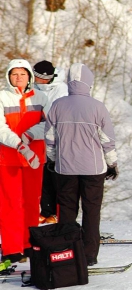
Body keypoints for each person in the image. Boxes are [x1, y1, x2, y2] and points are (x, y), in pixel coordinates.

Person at [45, 63, 117, 266]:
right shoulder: (97, 107)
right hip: (93, 169)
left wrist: (53, 159)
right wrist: (112, 164)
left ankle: (66, 251)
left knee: (67, 210)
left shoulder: (57, 105)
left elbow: (49, 138)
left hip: (65, 168)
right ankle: (89, 255)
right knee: (91, 211)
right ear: (89, 82)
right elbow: (107, 141)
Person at [0, 59, 47, 263]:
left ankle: (30, 245)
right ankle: (12, 249)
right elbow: (1, 128)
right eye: (14, 74)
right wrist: (19, 145)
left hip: (34, 160)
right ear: (8, 76)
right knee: (10, 204)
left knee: (31, 202)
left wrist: (29, 135)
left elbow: (49, 123)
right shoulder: (2, 97)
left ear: (29, 76)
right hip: (8, 159)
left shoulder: (41, 97)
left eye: (22, 74)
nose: (18, 78)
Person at [32, 60, 69, 224]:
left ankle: (57, 213)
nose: (39, 80)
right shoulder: (33, 86)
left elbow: (59, 115)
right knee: (43, 176)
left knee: (56, 176)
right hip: (38, 137)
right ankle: (46, 210)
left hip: (56, 138)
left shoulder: (61, 89)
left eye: (42, 78)